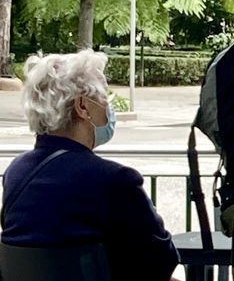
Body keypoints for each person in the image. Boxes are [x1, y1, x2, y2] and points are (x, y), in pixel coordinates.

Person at [2, 51, 178, 281]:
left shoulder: (16, 172)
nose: (108, 107)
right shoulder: (115, 179)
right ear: (83, 106)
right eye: (104, 98)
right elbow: (162, 261)